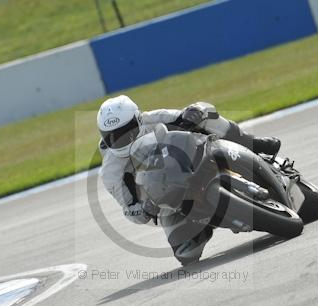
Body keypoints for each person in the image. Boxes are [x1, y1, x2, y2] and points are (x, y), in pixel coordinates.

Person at [97, 95, 281, 265]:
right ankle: (205, 225)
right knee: (186, 254)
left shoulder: (153, 118)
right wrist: (145, 209)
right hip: (167, 202)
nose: (120, 140)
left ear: (138, 120)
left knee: (205, 117)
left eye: (125, 132)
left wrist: (195, 112)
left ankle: (252, 143)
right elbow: (129, 211)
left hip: (194, 163)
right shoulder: (111, 173)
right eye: (112, 137)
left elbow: (193, 112)